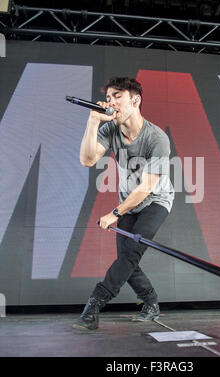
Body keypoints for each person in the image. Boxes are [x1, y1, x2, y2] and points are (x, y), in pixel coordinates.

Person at [73, 77, 174, 330]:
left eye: (117, 96)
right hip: (129, 202)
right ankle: (150, 301)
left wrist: (114, 213)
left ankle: (94, 305)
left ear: (135, 100)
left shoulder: (157, 138)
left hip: (155, 201)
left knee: (129, 254)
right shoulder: (110, 130)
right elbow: (87, 159)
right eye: (108, 98)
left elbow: (146, 188)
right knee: (127, 259)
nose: (111, 102)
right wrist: (93, 120)